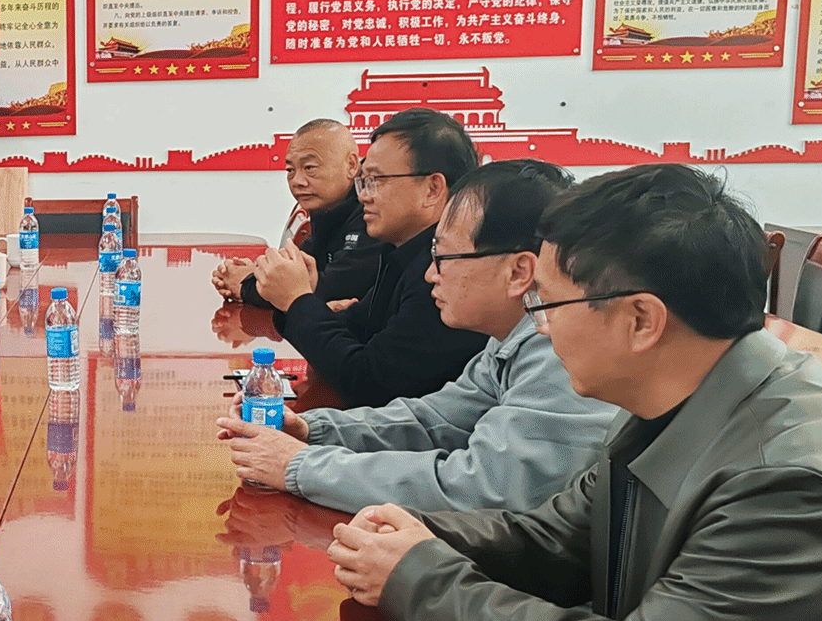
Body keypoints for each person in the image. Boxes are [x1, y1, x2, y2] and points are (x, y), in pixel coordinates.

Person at [326, 164, 822, 621]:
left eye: (548, 305)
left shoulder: (789, 485)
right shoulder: (678, 394)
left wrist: (417, 575)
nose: (537, 330)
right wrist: (417, 534)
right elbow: (557, 540)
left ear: (641, 319)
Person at [217, 160, 618, 513]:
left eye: (443, 257)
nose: (430, 274)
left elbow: (481, 488)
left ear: (518, 272)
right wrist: (312, 431)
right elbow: (433, 421)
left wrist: (300, 466)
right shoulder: (511, 337)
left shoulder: (560, 350)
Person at [258, 108, 488, 407]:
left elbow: (370, 383)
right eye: (363, 182)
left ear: (433, 189)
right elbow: (358, 329)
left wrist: (298, 301)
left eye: (376, 180)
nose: (364, 196)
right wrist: (308, 305)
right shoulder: (403, 252)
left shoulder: (448, 270)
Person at [213, 119, 378, 309]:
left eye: (309, 168)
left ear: (351, 165)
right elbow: (302, 267)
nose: (297, 181)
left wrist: (245, 284)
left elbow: (334, 287)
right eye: (290, 170)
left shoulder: (373, 209)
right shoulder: (328, 206)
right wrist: (259, 272)